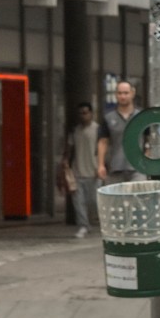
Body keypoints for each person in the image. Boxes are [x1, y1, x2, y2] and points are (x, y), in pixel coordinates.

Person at [62, 102, 100, 238]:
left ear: (91, 113)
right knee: (78, 202)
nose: (83, 116)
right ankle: (83, 225)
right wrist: (66, 161)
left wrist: (101, 165)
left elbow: (103, 149)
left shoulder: (98, 130)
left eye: (85, 113)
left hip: (94, 171)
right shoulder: (75, 131)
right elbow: (69, 148)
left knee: (94, 201)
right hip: (77, 171)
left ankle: (94, 223)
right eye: (81, 113)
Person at [97, 80, 144, 185]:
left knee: (137, 198)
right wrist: (100, 165)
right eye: (120, 93)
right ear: (116, 95)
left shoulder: (141, 116)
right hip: (115, 168)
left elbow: (150, 139)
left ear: (132, 93)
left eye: (126, 93)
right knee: (116, 200)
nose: (123, 96)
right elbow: (103, 141)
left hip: (137, 169)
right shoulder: (108, 117)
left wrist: (147, 158)